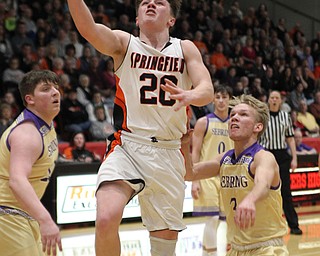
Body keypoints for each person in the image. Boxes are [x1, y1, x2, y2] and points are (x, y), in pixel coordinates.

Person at [67, 0, 214, 255]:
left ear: (171, 19)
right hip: (128, 146)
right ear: (136, 18)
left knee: (163, 249)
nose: (150, 4)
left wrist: (191, 96)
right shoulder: (125, 44)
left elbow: (207, 89)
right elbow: (89, 29)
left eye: (159, 2)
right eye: (145, 2)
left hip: (169, 152)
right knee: (105, 219)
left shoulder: (185, 48)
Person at [185, 94, 289, 255]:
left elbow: (263, 184)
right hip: (236, 249)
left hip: (266, 248)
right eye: (233, 114)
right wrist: (184, 144)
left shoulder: (263, 157)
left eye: (243, 115)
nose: (234, 118)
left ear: (258, 127)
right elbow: (190, 173)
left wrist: (250, 200)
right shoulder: (225, 159)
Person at [0, 70, 62, 255]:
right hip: (7, 214)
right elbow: (17, 181)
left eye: (55, 87)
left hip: (23, 213)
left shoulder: (46, 125)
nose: (55, 92)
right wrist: (46, 220)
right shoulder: (27, 134)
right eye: (45, 89)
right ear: (30, 99)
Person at [191, 85, 233, 256]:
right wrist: (195, 180)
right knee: (212, 218)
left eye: (224, 97)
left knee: (228, 220)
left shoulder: (235, 123)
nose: (221, 101)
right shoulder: (204, 122)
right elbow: (195, 151)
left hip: (228, 177)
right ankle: (211, 254)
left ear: (230, 99)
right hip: (207, 175)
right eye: (218, 97)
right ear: (213, 99)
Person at [259, 90, 302, 235]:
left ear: (280, 101)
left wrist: (294, 158)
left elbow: (290, 138)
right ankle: (265, 225)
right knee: (264, 191)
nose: (274, 100)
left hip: (282, 156)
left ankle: (294, 225)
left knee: (285, 192)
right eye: (272, 98)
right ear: (268, 100)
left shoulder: (285, 116)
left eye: (277, 98)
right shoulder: (262, 116)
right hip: (265, 155)